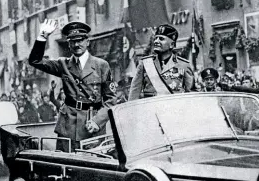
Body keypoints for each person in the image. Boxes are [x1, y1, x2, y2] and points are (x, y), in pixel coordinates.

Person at [29, 19, 117, 151]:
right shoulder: (62, 64)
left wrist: (98, 121)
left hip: (91, 125)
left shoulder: (101, 65)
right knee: (65, 165)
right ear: (68, 44)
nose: (77, 44)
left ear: (88, 42)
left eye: (80, 40)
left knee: (92, 166)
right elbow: (35, 61)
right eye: (72, 41)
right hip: (67, 125)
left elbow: (111, 100)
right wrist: (42, 36)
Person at [128, 24, 194, 100]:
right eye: (156, 38)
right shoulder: (145, 64)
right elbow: (134, 92)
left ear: (172, 44)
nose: (156, 41)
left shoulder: (183, 65)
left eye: (161, 39)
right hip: (151, 109)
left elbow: (192, 95)